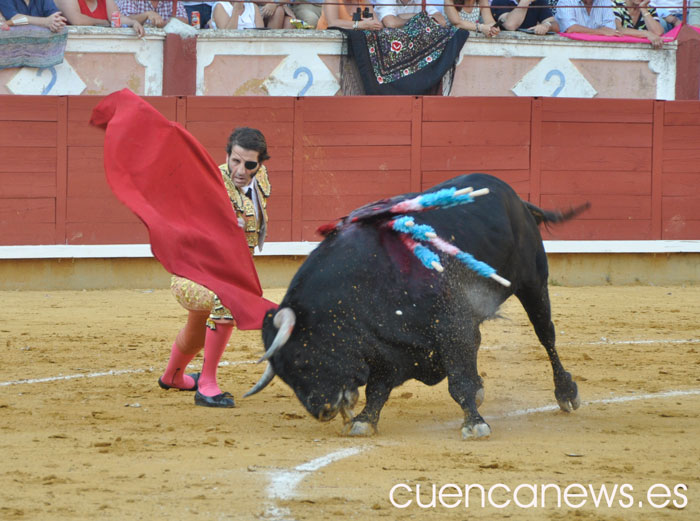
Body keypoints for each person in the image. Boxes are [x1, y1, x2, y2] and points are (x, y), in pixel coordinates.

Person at [159, 127, 271, 408]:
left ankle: (172, 376)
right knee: (226, 301)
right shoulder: (210, 182)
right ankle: (207, 385)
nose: (241, 170)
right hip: (192, 275)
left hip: (227, 275)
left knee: (197, 330)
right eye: (235, 161)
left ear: (260, 164)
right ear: (227, 155)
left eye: (249, 164)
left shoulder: (261, 181)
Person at [55, 0, 145, 35]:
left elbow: (117, 18)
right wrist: (103, 22)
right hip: (72, 52)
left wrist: (133, 23)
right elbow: (77, 20)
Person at [491, 0, 560, 34]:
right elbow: (510, 25)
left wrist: (547, 26)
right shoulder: (499, 1)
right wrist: (526, 1)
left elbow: (556, 26)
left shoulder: (538, 1)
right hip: (504, 49)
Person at [0, 0, 67, 31]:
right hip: (13, 48)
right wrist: (45, 22)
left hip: (41, 48)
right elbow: (15, 19)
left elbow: (55, 17)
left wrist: (56, 24)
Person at [316, 0, 383, 30]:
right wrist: (360, 25)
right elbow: (333, 23)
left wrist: (372, 25)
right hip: (328, 43)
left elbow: (378, 24)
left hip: (355, 44)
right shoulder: (332, 0)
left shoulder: (364, 1)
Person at [374, 0, 447, 27]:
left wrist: (406, 17)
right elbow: (390, 23)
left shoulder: (421, 1)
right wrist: (420, 18)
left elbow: (442, 21)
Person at [115, 0, 187, 27]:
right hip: (136, 43)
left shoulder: (173, 1)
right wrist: (146, 15)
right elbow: (124, 19)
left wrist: (165, 23)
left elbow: (185, 20)